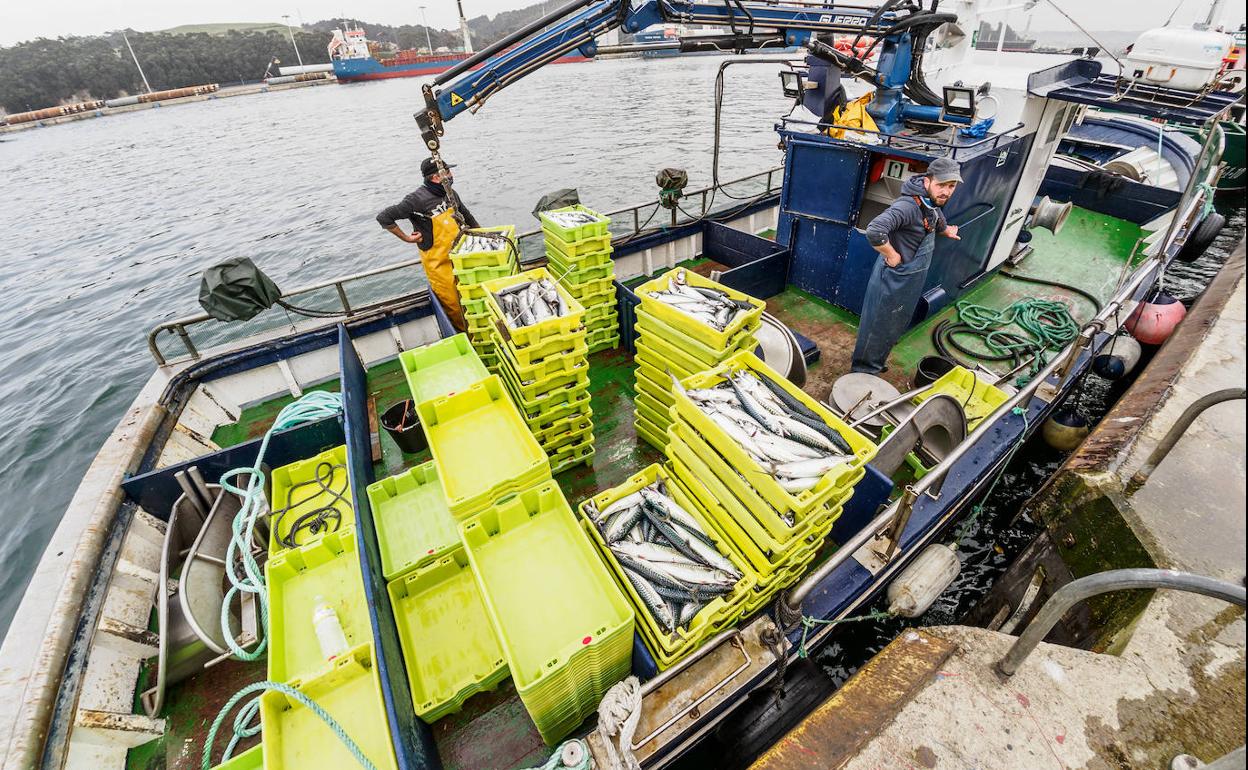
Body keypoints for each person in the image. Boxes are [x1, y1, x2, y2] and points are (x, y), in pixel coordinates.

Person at [850, 157, 962, 374]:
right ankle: (862, 371)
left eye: (951, 186)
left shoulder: (929, 201)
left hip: (911, 278)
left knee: (894, 323)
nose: (946, 192)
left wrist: (945, 230)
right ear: (928, 182)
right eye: (941, 185)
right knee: (878, 326)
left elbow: (934, 215)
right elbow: (875, 230)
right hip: (894, 278)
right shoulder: (907, 206)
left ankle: (876, 361)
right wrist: (891, 254)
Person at [376, 157, 480, 330]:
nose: (451, 174)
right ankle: (465, 336)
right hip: (440, 264)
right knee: (455, 304)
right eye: (447, 171)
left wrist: (484, 237)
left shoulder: (451, 193)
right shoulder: (415, 200)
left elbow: (467, 217)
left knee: (474, 297)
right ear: (436, 177)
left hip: (463, 256)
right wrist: (407, 238)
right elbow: (384, 218)